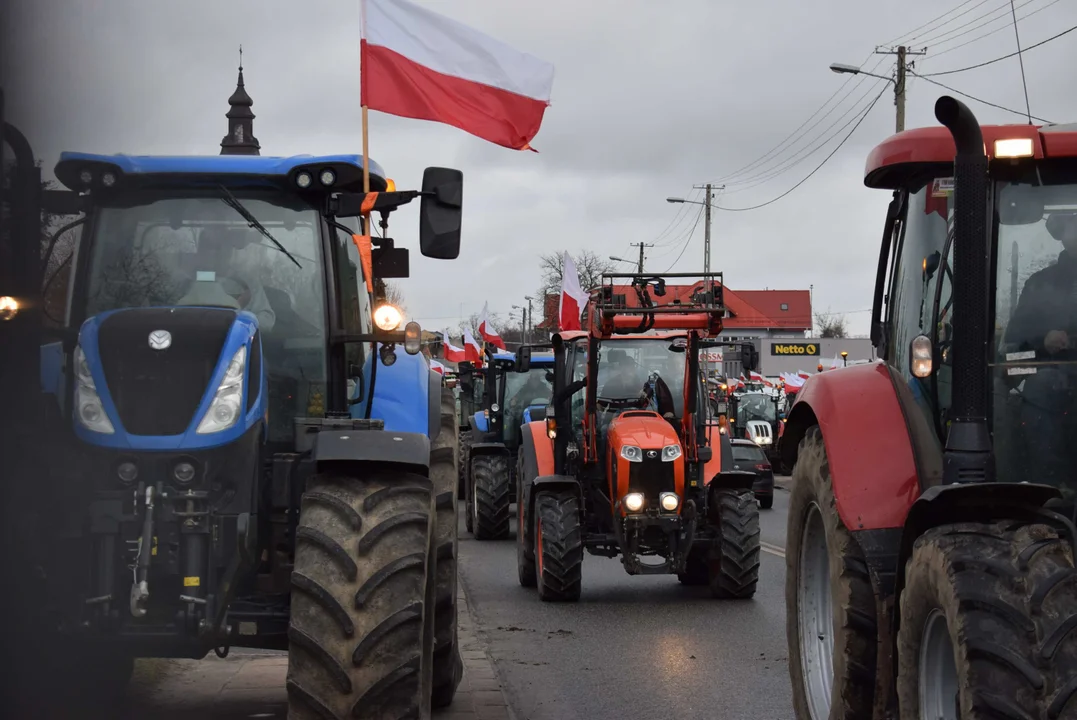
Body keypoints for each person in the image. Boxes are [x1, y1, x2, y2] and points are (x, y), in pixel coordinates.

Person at [1006, 211, 1077, 493]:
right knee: (1042, 386)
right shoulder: (1038, 286)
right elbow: (1011, 360)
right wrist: (1041, 343)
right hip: (1051, 387)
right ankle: (1049, 490)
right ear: (1061, 235)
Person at [177, 227, 277, 331]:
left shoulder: (248, 284)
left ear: (229, 251)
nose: (215, 253)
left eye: (220, 246)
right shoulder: (184, 284)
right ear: (200, 251)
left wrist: (240, 318)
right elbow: (167, 315)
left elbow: (267, 320)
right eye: (209, 246)